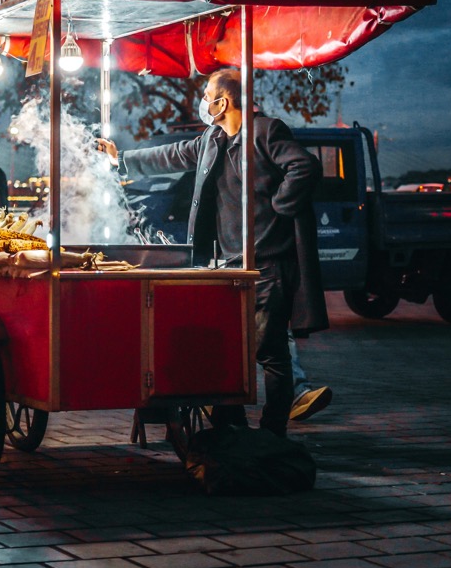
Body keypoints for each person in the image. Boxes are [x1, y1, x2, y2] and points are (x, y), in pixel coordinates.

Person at [99, 67, 326, 438]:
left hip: (269, 264)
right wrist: (121, 158)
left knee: (270, 353)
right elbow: (172, 154)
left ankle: (272, 433)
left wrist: (280, 206)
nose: (203, 102)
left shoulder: (267, 131)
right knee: (228, 348)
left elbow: (304, 166)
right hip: (228, 265)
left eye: (207, 95)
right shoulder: (212, 139)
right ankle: (230, 424)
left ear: (222, 102)